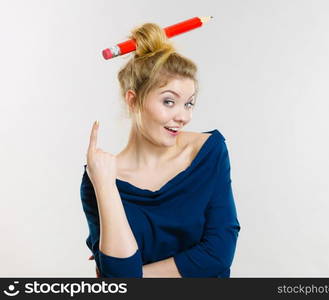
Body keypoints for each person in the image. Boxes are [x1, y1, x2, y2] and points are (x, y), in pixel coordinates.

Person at [80, 22, 241, 278]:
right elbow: (119, 280)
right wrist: (106, 187)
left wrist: (137, 276)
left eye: (189, 104)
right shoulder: (100, 177)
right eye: (169, 101)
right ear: (133, 100)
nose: (184, 117)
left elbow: (217, 254)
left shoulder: (208, 153)